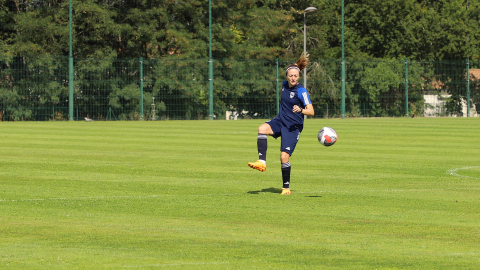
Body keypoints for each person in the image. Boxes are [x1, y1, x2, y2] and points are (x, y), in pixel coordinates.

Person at [248, 53, 314, 195]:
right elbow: (294, 67)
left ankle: (286, 188)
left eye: (296, 76)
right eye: (290, 75)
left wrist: (301, 110)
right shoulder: (285, 85)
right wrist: (297, 65)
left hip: (292, 128)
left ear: (299, 76)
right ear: (286, 76)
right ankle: (262, 162)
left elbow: (311, 111)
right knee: (262, 129)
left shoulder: (301, 91)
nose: (293, 78)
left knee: (284, 157)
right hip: (280, 121)